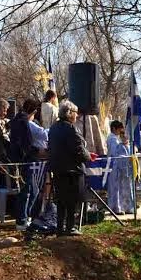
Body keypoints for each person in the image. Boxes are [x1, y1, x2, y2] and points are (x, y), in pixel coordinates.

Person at [48, 101, 92, 235]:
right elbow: (79, 150)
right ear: (69, 114)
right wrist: (88, 157)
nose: (77, 115)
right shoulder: (71, 129)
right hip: (72, 170)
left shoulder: (53, 128)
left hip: (57, 169)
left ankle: (60, 228)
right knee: (72, 200)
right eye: (75, 112)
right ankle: (71, 227)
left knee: (61, 200)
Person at [9, 98, 41, 230]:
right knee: (26, 190)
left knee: (32, 190)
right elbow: (26, 143)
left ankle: (25, 217)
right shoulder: (23, 122)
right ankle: (21, 220)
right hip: (24, 160)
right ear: (33, 112)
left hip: (20, 159)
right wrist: (37, 151)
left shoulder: (16, 120)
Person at [106, 120, 134, 214]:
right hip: (115, 166)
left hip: (119, 166)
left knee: (120, 188)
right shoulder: (112, 139)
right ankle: (116, 208)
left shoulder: (115, 138)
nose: (120, 132)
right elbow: (115, 152)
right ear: (114, 128)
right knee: (116, 188)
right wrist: (124, 144)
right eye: (119, 130)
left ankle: (122, 207)